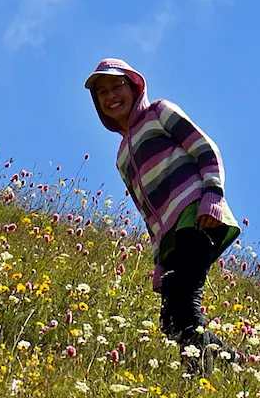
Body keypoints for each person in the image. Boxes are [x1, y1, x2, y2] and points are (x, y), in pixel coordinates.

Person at [86, 58, 240, 371]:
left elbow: (206, 149)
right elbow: (148, 213)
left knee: (183, 303)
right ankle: (234, 365)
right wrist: (160, 260)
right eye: (102, 92)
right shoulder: (122, 158)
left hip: (196, 213)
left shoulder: (159, 112)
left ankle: (199, 375)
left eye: (117, 86)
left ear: (134, 87)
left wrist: (213, 195)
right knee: (170, 319)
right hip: (170, 234)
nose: (111, 95)